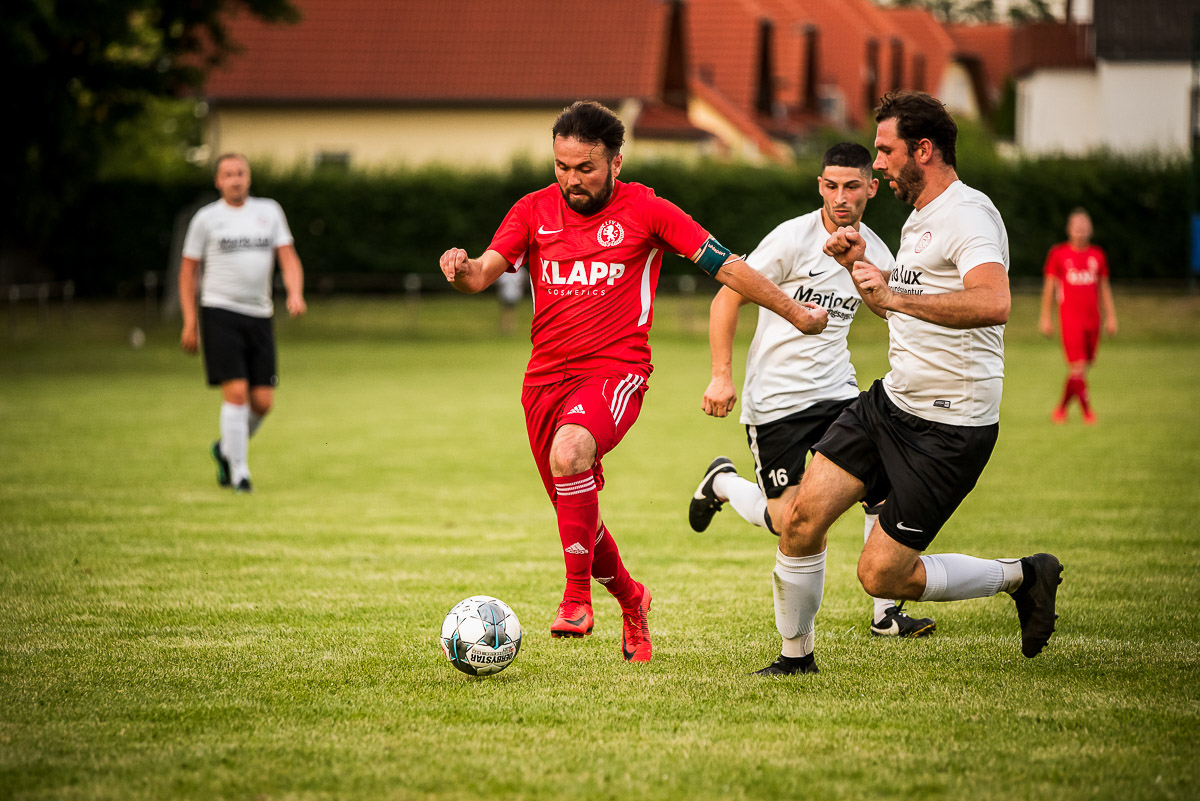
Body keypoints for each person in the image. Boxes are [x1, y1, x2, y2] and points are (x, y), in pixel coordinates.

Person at [439, 100, 828, 663]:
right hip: (544, 381)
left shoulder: (647, 210)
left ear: (616, 163)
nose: (571, 180)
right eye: (562, 166)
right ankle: (631, 598)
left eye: (586, 168)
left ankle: (576, 598)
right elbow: (481, 274)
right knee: (578, 513)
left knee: (571, 452)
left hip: (615, 371)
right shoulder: (532, 210)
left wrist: (794, 311)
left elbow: (725, 264)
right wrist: (459, 269)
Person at [756, 90, 1063, 676]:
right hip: (891, 403)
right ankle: (795, 660)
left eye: (885, 150)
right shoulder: (919, 218)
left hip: (949, 426)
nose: (876, 164)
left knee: (881, 574)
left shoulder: (969, 215)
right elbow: (906, 308)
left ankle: (1023, 576)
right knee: (799, 518)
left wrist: (895, 293)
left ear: (923, 150)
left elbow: (994, 302)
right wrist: (862, 275)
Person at [689, 142, 935, 638]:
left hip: (838, 392)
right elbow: (726, 298)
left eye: (851, 186)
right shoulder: (791, 239)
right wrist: (721, 374)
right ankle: (722, 483)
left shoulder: (877, 252)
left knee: (884, 479)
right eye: (830, 186)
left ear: (871, 187)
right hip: (776, 401)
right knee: (791, 524)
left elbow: (891, 311)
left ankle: (885, 614)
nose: (840, 197)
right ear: (819, 186)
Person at [179, 153, 307, 493]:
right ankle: (240, 473)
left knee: (262, 402)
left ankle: (225, 449)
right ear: (218, 181)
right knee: (235, 393)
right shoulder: (207, 220)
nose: (235, 179)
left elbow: (288, 258)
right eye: (228, 174)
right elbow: (188, 272)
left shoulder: (269, 212)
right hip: (219, 311)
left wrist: (295, 293)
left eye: (240, 173)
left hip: (260, 314)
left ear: (248, 178)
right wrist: (190, 321)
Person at [1038, 208, 1118, 425]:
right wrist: (1045, 317)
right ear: (1069, 229)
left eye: (1085, 226)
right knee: (1078, 366)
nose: (1081, 231)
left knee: (1082, 369)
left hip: (1093, 319)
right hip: (1070, 319)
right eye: (1077, 226)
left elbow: (1104, 288)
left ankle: (1060, 409)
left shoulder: (1098, 255)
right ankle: (1087, 412)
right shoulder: (1059, 254)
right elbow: (1049, 288)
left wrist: (1111, 317)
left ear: (1090, 229)